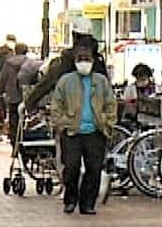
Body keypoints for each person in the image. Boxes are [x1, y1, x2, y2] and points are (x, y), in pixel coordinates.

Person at [50, 42, 117, 216]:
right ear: (75, 61)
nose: (84, 63)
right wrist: (61, 123)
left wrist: (106, 122)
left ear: (93, 61)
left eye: (87, 59)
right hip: (72, 132)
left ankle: (88, 204)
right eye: (80, 59)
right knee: (71, 167)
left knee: (94, 169)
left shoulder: (101, 82)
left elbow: (111, 104)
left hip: (95, 132)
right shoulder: (66, 81)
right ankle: (70, 200)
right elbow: (56, 104)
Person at [25, 24, 109, 111]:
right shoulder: (98, 60)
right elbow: (107, 91)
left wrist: (29, 102)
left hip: (69, 115)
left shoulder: (67, 59)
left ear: (74, 36)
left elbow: (48, 83)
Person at [0, 42, 30, 144]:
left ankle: (14, 142)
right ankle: (22, 141)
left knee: (13, 120)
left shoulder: (8, 63)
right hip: (25, 96)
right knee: (24, 119)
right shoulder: (29, 62)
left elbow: (3, 78)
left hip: (12, 95)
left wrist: (0, 90)